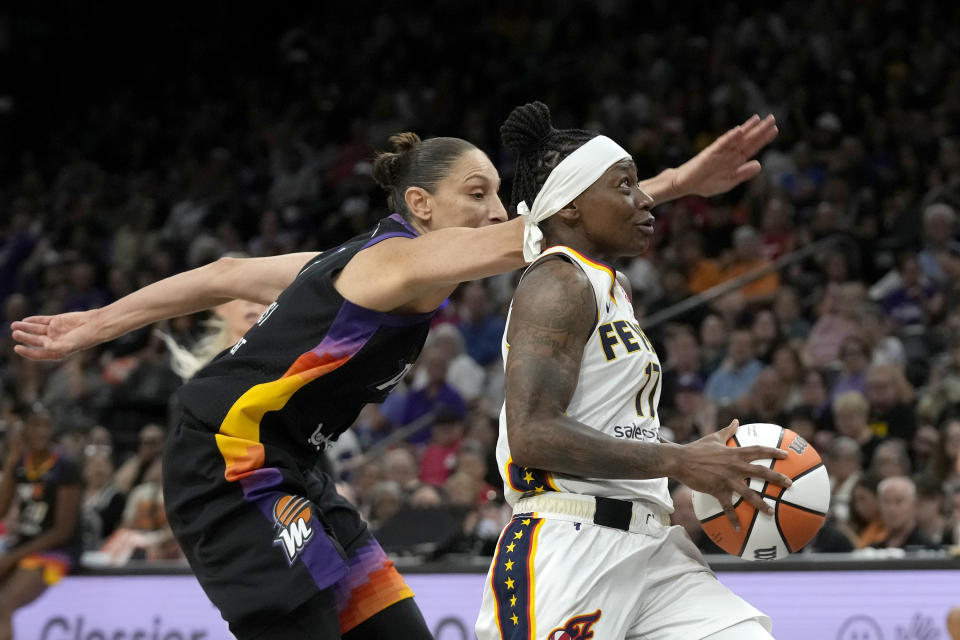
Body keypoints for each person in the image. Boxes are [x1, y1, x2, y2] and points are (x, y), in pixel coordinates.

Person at [12, 115, 777, 639]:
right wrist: (672, 181)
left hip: (293, 472)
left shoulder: (366, 262)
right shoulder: (397, 260)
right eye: (473, 195)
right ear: (420, 205)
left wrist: (94, 323)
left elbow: (225, 275)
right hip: (225, 462)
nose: (493, 209)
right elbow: (548, 226)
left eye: (494, 194)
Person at [476, 102, 785, 640]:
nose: (645, 199)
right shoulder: (558, 282)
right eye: (624, 185)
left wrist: (692, 456)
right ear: (570, 208)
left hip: (653, 545)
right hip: (571, 542)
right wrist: (679, 459)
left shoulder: (613, 288)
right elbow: (531, 435)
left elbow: (610, 418)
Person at [0, 407, 82, 640]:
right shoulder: (20, 465)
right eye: (36, 425)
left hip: (56, 551)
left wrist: (10, 559)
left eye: (47, 425)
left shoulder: (65, 466)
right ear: (23, 429)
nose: (42, 431)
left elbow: (62, 531)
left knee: (3, 608)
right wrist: (10, 462)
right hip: (25, 546)